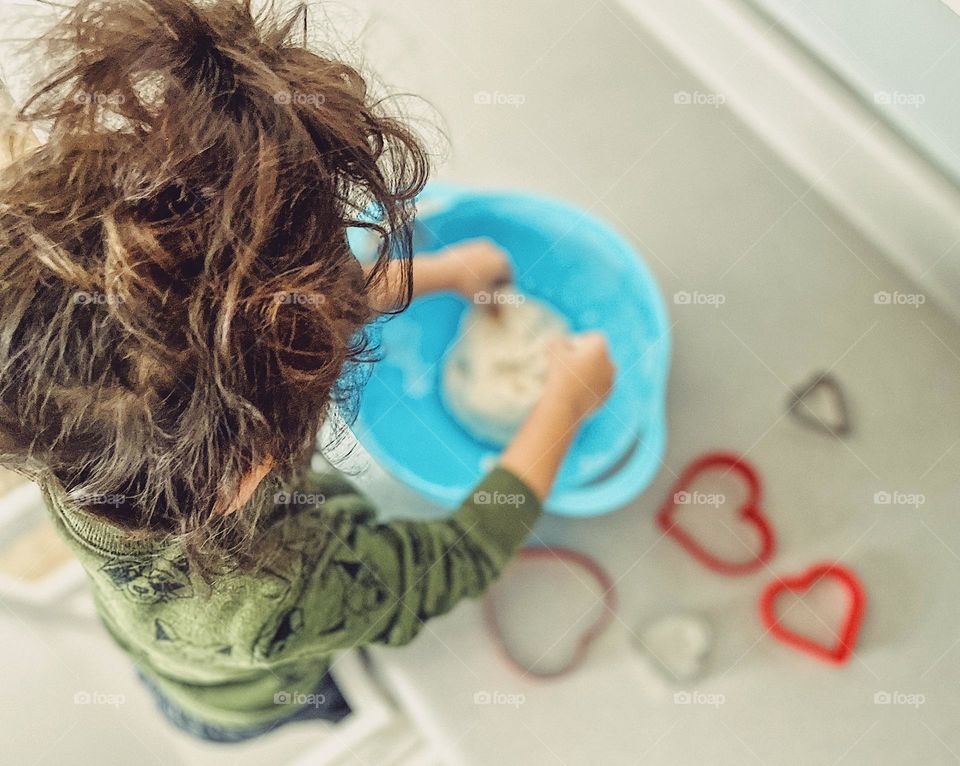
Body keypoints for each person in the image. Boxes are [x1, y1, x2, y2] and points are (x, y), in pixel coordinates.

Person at [0, 0, 615, 742]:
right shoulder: (279, 600)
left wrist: (448, 271)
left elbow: (259, 321)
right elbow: (454, 559)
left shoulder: (65, 413)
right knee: (304, 689)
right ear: (251, 471)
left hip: (160, 630)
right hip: (246, 699)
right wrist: (562, 409)